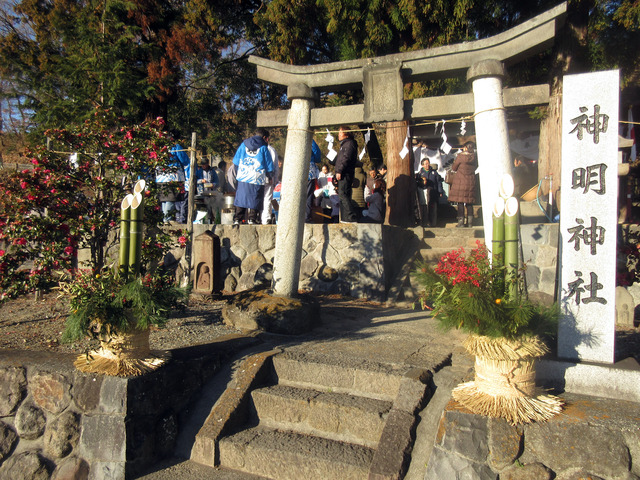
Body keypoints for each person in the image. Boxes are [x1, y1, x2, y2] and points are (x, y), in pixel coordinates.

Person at [232, 128, 274, 225]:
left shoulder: (243, 145)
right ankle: (252, 219)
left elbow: (236, 161)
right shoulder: (263, 147)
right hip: (257, 177)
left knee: (241, 197)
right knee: (255, 198)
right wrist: (270, 176)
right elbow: (269, 164)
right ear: (264, 137)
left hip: (243, 176)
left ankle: (237, 219)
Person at [448, 141, 478, 228]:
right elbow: (475, 167)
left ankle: (461, 223)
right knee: (469, 203)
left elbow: (454, 168)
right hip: (471, 182)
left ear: (465, 147)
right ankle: (470, 223)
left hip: (460, 182)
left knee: (460, 202)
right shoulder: (474, 157)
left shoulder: (461, 156)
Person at [333, 126, 358, 223]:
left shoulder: (349, 144)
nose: (338, 135)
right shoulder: (344, 145)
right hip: (342, 172)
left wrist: (339, 170)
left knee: (343, 194)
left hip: (346, 173)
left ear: (346, 133)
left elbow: (346, 159)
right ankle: (345, 217)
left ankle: (351, 216)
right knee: (343, 195)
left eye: (340, 133)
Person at [416, 158, 444, 227]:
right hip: (424, 194)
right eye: (426, 164)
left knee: (433, 209)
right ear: (422, 165)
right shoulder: (420, 174)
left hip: (433, 193)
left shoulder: (434, 173)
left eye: (428, 163)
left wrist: (440, 191)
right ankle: (424, 222)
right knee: (424, 208)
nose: (427, 165)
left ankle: (432, 223)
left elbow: (439, 182)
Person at [262, 140, 280, 225]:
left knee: (259, 199)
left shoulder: (254, 149)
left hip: (255, 179)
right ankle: (266, 219)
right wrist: (275, 179)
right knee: (267, 199)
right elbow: (275, 167)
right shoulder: (271, 150)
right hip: (269, 178)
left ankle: (254, 218)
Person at [305, 140, 322, 222]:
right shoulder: (310, 141)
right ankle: (306, 217)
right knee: (308, 195)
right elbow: (318, 157)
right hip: (309, 171)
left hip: (295, 171)